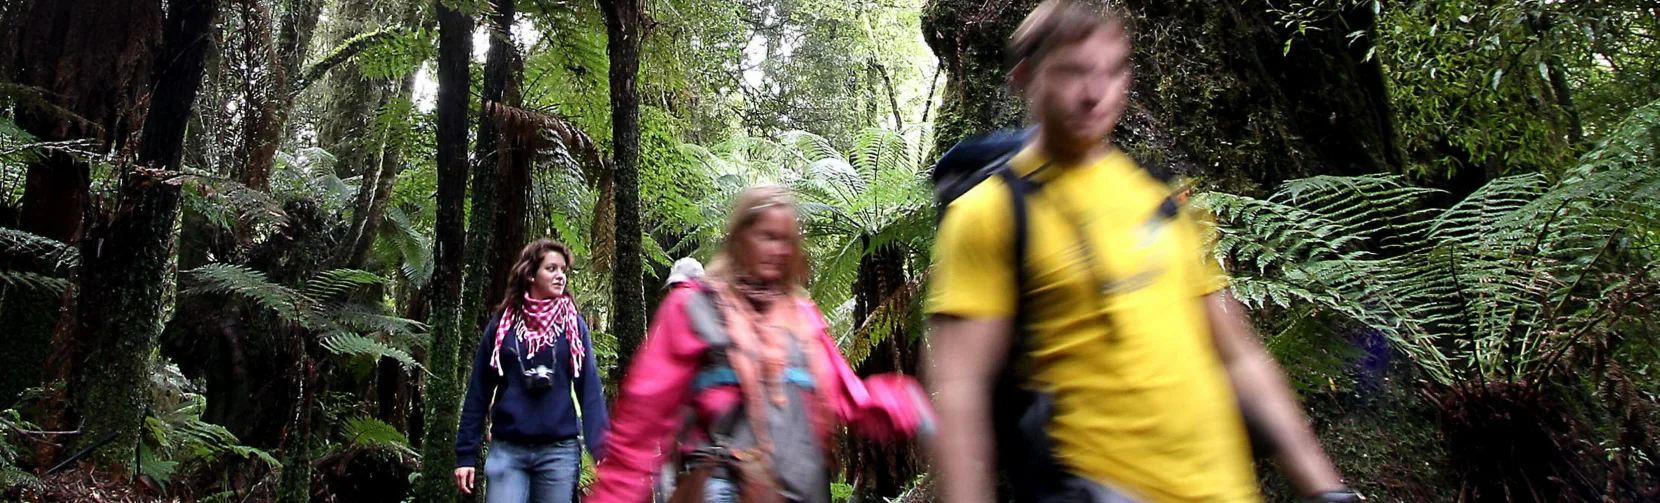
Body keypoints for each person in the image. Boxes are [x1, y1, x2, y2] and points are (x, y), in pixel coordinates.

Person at [923, 2, 1359, 503]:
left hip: (1222, 487)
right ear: (1025, 77)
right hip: (1096, 486)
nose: (1095, 93)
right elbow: (960, 389)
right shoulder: (990, 213)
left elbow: (1239, 356)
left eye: (1111, 72)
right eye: (1073, 72)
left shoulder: (1166, 198)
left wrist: (1325, 488)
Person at [588, 185, 934, 503]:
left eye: (786, 240)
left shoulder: (802, 317)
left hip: (803, 489)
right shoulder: (695, 307)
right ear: (740, 238)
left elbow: (846, 397)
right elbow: (643, 419)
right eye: (767, 237)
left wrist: (908, 405)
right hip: (725, 485)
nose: (779, 250)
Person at [454, 239, 609, 503]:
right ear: (530, 273)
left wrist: (602, 451)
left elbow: (590, 390)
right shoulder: (503, 326)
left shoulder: (573, 326)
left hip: (559, 451)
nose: (560, 276)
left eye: (563, 270)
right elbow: (479, 390)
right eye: (551, 269)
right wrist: (465, 455)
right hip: (508, 449)